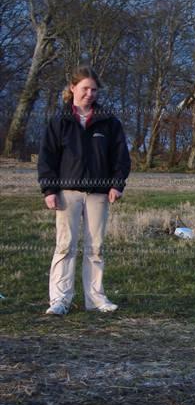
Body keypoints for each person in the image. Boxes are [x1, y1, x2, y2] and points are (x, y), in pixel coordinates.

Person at [37, 66, 131, 315]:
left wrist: (116, 184)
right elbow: (47, 158)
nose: (89, 93)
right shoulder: (60, 121)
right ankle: (59, 300)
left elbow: (121, 156)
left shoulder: (109, 122)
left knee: (96, 248)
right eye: (85, 88)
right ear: (73, 88)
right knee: (65, 245)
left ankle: (96, 298)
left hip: (99, 194)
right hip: (67, 192)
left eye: (94, 89)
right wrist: (49, 189)